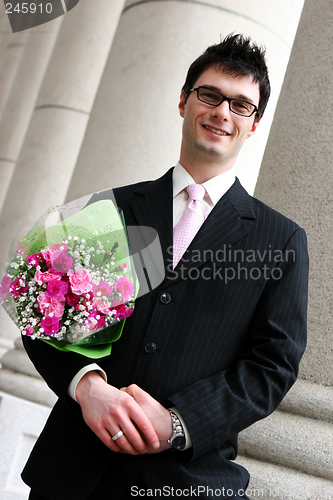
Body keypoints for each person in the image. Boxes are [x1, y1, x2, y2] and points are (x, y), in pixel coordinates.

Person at [22, 34, 309, 500]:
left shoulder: (282, 241)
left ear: (253, 125)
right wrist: (87, 387)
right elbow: (43, 316)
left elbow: (271, 367)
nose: (222, 113)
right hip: (70, 476)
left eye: (241, 106)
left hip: (184, 483)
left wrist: (177, 423)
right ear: (183, 101)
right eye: (210, 95)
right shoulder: (108, 208)